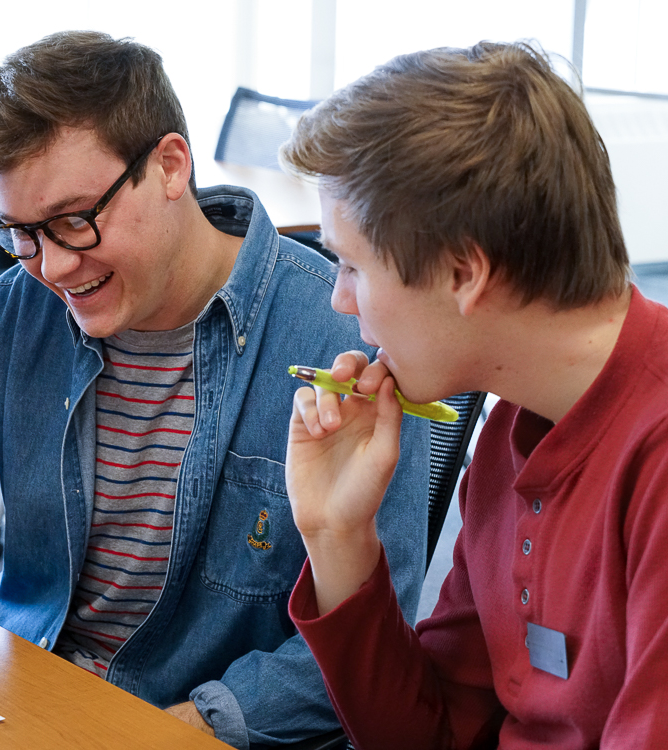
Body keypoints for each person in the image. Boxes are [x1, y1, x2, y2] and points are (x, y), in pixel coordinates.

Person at [0, 31, 430, 749]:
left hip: (196, 729)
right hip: (24, 694)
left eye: (74, 220)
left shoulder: (339, 340)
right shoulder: (11, 315)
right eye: (21, 233)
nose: (53, 267)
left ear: (168, 165)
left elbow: (366, 654)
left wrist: (150, 733)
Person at [281, 40, 668, 749]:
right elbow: (432, 734)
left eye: (350, 265)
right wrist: (337, 535)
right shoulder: (512, 426)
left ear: (464, 273)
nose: (339, 301)